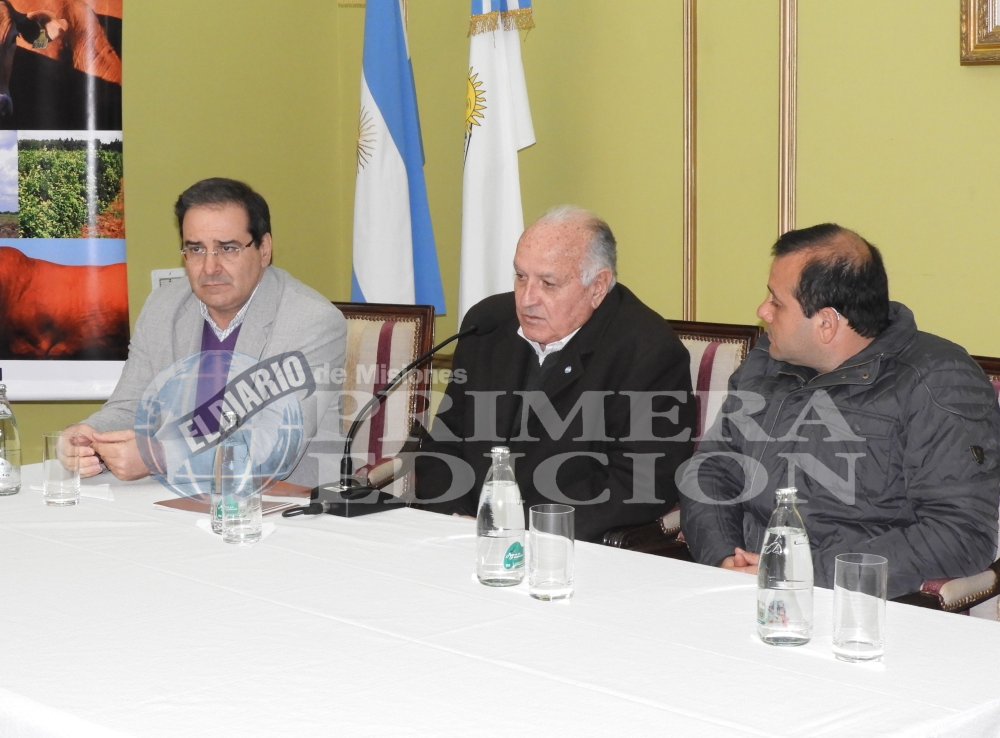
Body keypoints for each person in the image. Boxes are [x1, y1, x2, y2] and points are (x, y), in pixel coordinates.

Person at [679, 223, 1000, 598]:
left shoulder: (937, 382)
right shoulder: (767, 362)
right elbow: (712, 469)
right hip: (744, 588)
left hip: (861, 605)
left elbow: (960, 535)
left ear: (826, 323)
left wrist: (800, 572)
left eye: (777, 302)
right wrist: (723, 558)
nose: (762, 311)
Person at [415, 206, 695, 543]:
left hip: (566, 546)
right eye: (521, 276)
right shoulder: (488, 324)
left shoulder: (647, 351)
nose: (526, 299)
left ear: (598, 286)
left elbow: (640, 484)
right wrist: (455, 516)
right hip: (463, 534)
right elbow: (445, 442)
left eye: (548, 283)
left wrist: (525, 531)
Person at [63, 178, 347, 486]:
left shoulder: (310, 321)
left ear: (264, 249)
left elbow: (276, 450)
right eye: (196, 249)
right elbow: (132, 406)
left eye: (228, 248)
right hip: (172, 495)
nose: (210, 267)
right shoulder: (164, 307)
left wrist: (160, 456)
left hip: (279, 501)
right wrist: (88, 437)